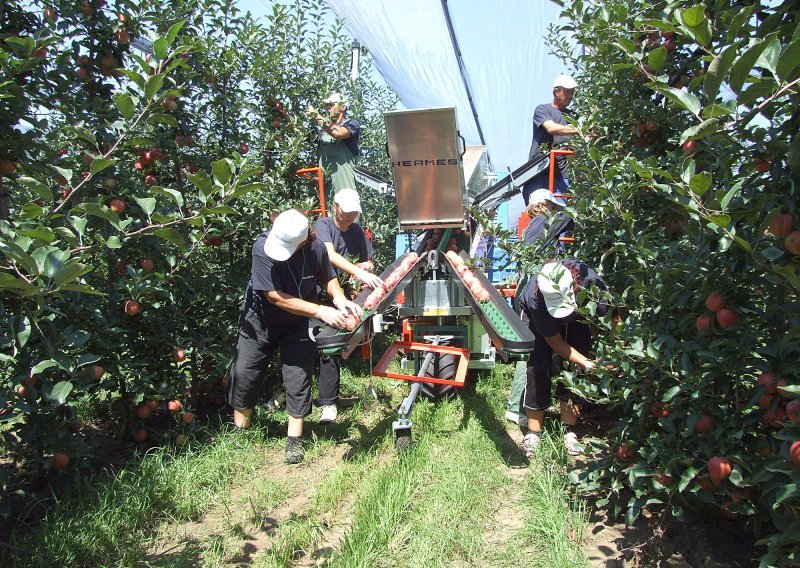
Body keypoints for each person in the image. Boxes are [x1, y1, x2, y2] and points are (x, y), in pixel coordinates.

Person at [226, 208, 361, 464]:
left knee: (298, 375)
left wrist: (339, 298)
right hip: (260, 321)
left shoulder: (316, 248)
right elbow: (274, 296)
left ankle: (294, 440)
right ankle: (239, 433)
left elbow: (328, 277)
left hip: (297, 323)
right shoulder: (262, 248)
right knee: (245, 373)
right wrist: (320, 310)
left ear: (303, 242)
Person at [516, 259, 615, 457]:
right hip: (539, 322)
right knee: (537, 365)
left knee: (576, 369)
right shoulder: (535, 297)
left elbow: (614, 317)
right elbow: (554, 341)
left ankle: (569, 430)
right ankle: (533, 433)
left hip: (577, 316)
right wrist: (587, 363)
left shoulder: (592, 285)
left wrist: (614, 351)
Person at [506, 189, 576, 427]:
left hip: (529, 289)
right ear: (544, 205)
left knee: (530, 351)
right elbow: (573, 215)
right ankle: (519, 409)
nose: (555, 210)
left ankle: (520, 408)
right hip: (535, 292)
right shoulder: (546, 220)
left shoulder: (532, 226)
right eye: (552, 206)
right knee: (533, 353)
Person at [314, 188, 383, 423]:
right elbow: (329, 255)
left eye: (354, 213)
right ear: (335, 207)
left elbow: (368, 259)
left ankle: (328, 400)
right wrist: (357, 272)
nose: (350, 217)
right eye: (346, 212)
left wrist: (367, 267)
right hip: (319, 295)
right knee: (326, 345)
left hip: (342, 295)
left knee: (333, 343)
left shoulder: (356, 231)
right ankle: (327, 404)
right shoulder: (323, 225)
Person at [521, 75, 579, 206]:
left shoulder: (574, 116)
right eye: (568, 91)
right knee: (539, 208)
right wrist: (578, 129)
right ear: (556, 92)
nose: (571, 96)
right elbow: (551, 128)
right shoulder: (543, 110)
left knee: (564, 210)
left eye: (573, 92)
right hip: (539, 170)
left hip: (562, 172)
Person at [308, 92, 361, 202]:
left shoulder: (352, 124)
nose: (328, 109)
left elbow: (338, 134)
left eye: (331, 105)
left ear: (343, 107)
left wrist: (316, 115)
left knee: (348, 217)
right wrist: (285, 116)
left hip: (346, 190)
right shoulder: (322, 132)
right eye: (327, 106)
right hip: (327, 192)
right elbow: (300, 137)